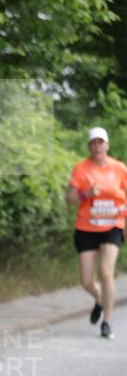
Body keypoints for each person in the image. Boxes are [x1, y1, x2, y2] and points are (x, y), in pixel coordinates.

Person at [66, 126, 127, 340]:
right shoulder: (81, 169)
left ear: (107, 145)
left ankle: (107, 322)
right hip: (86, 227)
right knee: (86, 281)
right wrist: (86, 194)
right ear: (89, 146)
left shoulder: (120, 169)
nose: (97, 146)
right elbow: (69, 200)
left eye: (101, 142)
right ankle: (100, 299)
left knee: (106, 272)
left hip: (112, 226)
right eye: (93, 142)